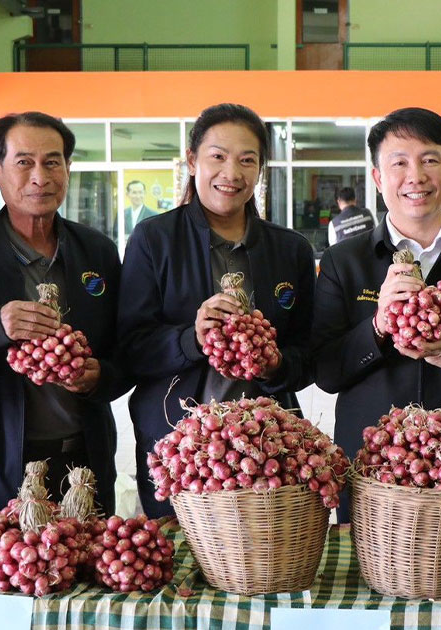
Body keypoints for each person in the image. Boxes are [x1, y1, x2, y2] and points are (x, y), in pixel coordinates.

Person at [311, 108, 441, 518]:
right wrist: (378, 326)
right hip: (371, 466)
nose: (416, 176)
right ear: (378, 178)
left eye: (430, 160)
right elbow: (325, 371)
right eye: (399, 163)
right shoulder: (343, 261)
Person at [0, 112, 130, 514]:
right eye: (24, 162)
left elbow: (126, 350)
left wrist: (99, 377)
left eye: (52, 162)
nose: (40, 177)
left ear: (68, 168)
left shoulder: (97, 251)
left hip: (85, 460)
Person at [118, 103, 315, 519]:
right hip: (177, 443)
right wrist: (192, 338)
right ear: (192, 161)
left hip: (266, 449)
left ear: (260, 169)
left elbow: (308, 352)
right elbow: (131, 349)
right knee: (179, 551)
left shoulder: (290, 249)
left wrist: (276, 365)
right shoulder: (154, 239)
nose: (232, 172)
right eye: (218, 156)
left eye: (247, 160)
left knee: (264, 552)